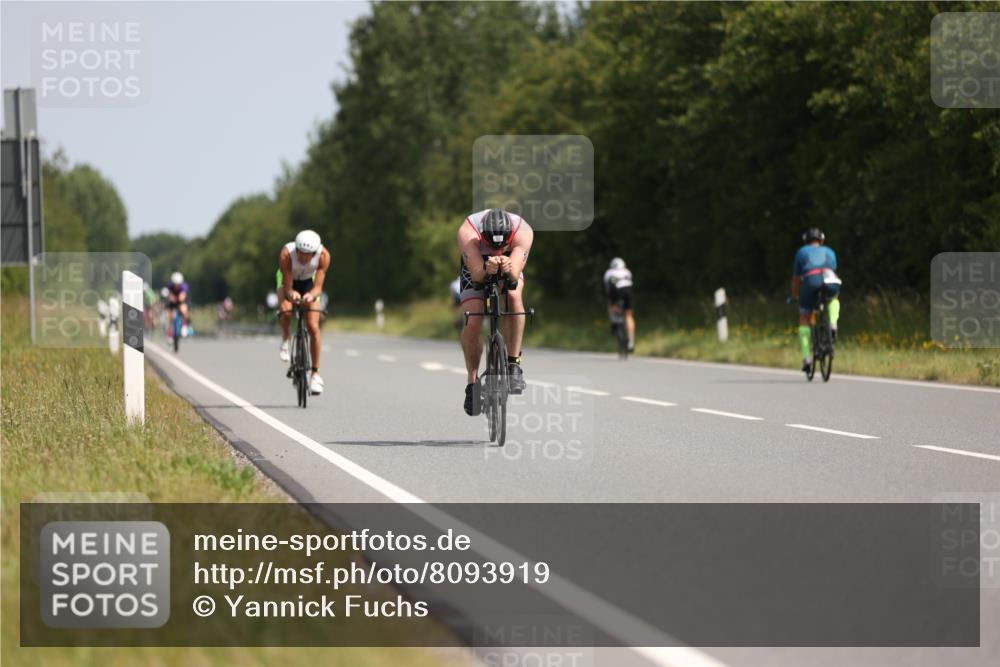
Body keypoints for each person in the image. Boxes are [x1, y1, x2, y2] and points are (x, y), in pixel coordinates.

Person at [457, 208, 534, 416]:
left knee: (514, 296)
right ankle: (472, 383)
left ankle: (513, 364)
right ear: (482, 238)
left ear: (511, 237)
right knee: (473, 320)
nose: (498, 252)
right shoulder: (468, 231)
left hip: (511, 262)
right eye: (492, 247)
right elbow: (476, 276)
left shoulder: (523, 231)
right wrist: (485, 269)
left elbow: (514, 276)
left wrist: (508, 267)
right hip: (478, 263)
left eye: (502, 247)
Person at [277, 230, 330, 395]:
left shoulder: (323, 256)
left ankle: (315, 374)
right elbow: (288, 287)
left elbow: (318, 287)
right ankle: (285, 339)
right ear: (296, 249)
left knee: (313, 326)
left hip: (309, 282)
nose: (304, 257)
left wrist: (311, 295)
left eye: (308, 254)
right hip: (288, 280)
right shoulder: (286, 255)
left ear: (314, 253)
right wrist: (291, 293)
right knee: (286, 311)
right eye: (301, 253)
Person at [791, 228, 841, 374]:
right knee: (833, 299)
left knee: (804, 317)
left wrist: (794, 296)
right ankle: (833, 323)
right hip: (830, 279)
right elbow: (833, 268)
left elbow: (796, 279)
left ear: (805, 241)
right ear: (822, 240)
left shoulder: (801, 252)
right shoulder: (830, 251)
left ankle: (807, 358)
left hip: (811, 280)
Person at [603, 257, 635, 352]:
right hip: (627, 291)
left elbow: (607, 288)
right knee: (629, 315)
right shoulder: (627, 272)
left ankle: (614, 321)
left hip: (615, 291)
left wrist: (611, 300)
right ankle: (631, 341)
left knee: (611, 305)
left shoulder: (609, 273)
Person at [165, 272, 190, 337]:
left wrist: (179, 299)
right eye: (175, 284)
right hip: (173, 300)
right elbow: (169, 295)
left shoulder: (184, 286)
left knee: (184, 310)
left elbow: (182, 296)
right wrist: (171, 298)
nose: (176, 286)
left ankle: (185, 325)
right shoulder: (170, 286)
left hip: (182, 300)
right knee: (170, 314)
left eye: (178, 284)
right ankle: (170, 328)